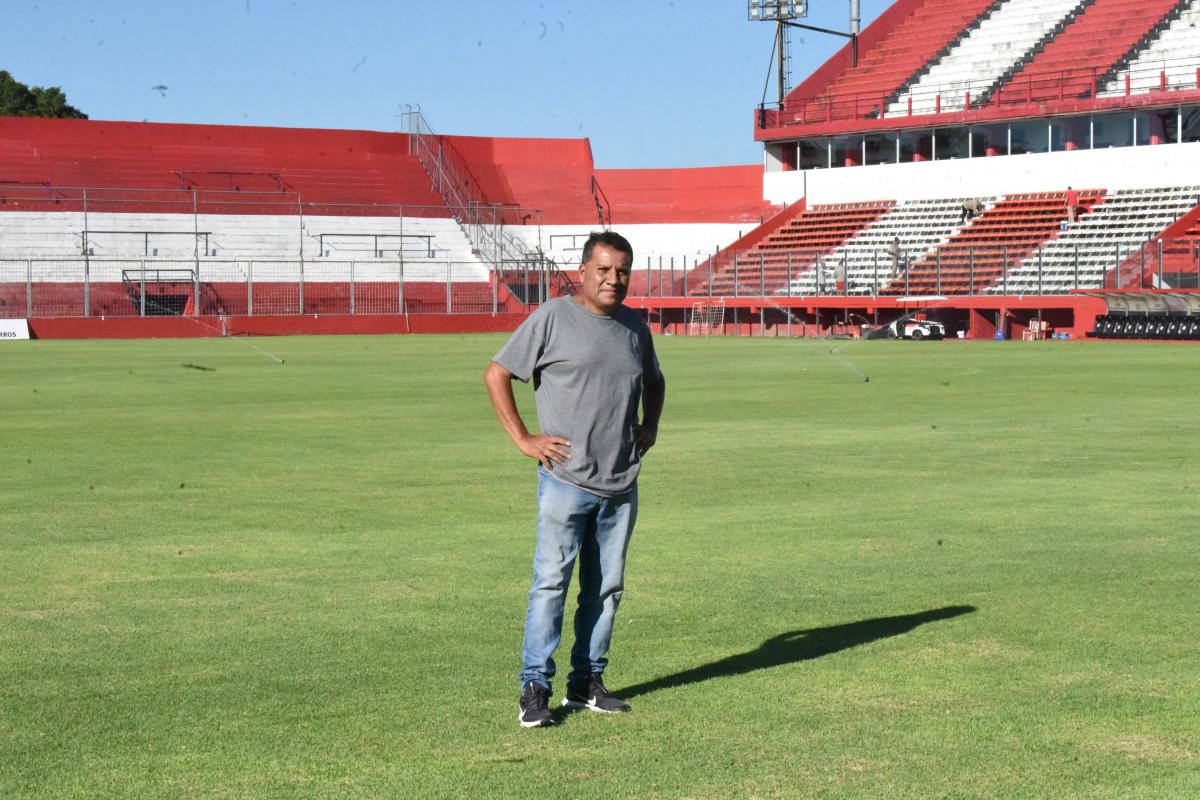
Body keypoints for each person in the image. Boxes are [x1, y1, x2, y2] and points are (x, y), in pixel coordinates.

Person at [484, 230, 666, 729]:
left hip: (620, 485)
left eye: (622, 271)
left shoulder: (635, 327)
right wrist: (524, 439)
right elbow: (497, 373)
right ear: (583, 271)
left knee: (605, 590)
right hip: (565, 480)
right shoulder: (552, 318)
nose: (613, 279)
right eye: (603, 269)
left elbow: (654, 380)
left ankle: (586, 682)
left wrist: (649, 426)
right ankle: (535, 687)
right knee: (551, 584)